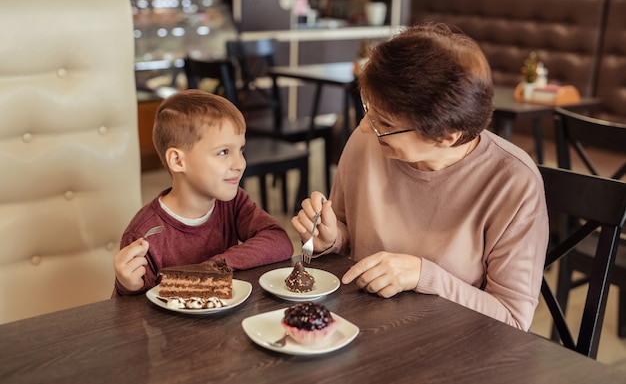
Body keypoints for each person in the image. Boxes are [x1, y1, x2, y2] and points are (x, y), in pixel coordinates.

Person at [291, 23, 549, 331]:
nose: (364, 128)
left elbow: (513, 319)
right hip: (363, 330)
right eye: (368, 110)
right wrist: (331, 239)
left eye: (384, 122)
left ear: (447, 136)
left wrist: (424, 276)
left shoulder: (512, 182)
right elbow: (349, 241)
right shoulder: (368, 140)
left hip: (449, 347)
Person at [113, 89, 293, 296]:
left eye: (240, 150)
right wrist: (127, 286)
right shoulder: (143, 235)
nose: (240, 164)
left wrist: (211, 269)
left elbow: (279, 241)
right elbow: (131, 318)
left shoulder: (233, 202)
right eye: (223, 152)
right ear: (178, 161)